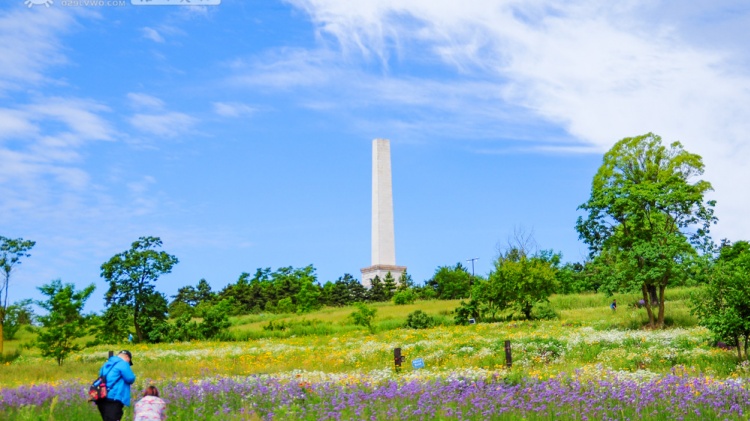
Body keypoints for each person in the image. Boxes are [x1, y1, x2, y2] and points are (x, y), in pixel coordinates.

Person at [95, 350, 136, 421]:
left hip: (101, 396)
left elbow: (100, 377)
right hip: (114, 397)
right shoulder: (123, 363)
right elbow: (130, 378)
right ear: (127, 357)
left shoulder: (106, 364)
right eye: (129, 362)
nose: (128, 364)